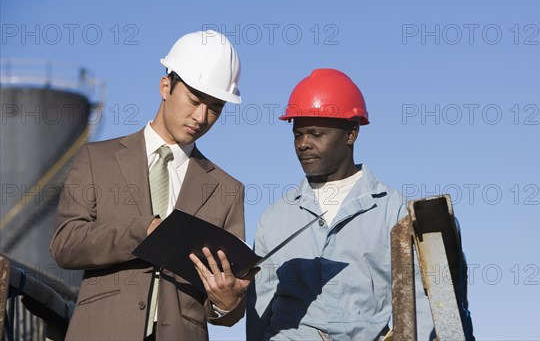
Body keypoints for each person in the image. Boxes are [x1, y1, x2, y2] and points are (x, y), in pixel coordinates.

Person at [51, 30, 254, 341]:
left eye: (215, 107)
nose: (201, 116)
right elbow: (65, 245)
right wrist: (142, 231)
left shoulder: (227, 190)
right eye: (194, 100)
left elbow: (230, 305)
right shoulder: (97, 159)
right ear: (165, 87)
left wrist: (227, 304)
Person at [247, 69, 445, 340]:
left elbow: (420, 306)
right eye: (297, 135)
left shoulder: (393, 211)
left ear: (351, 133)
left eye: (316, 134)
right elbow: (259, 314)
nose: (303, 144)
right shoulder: (273, 219)